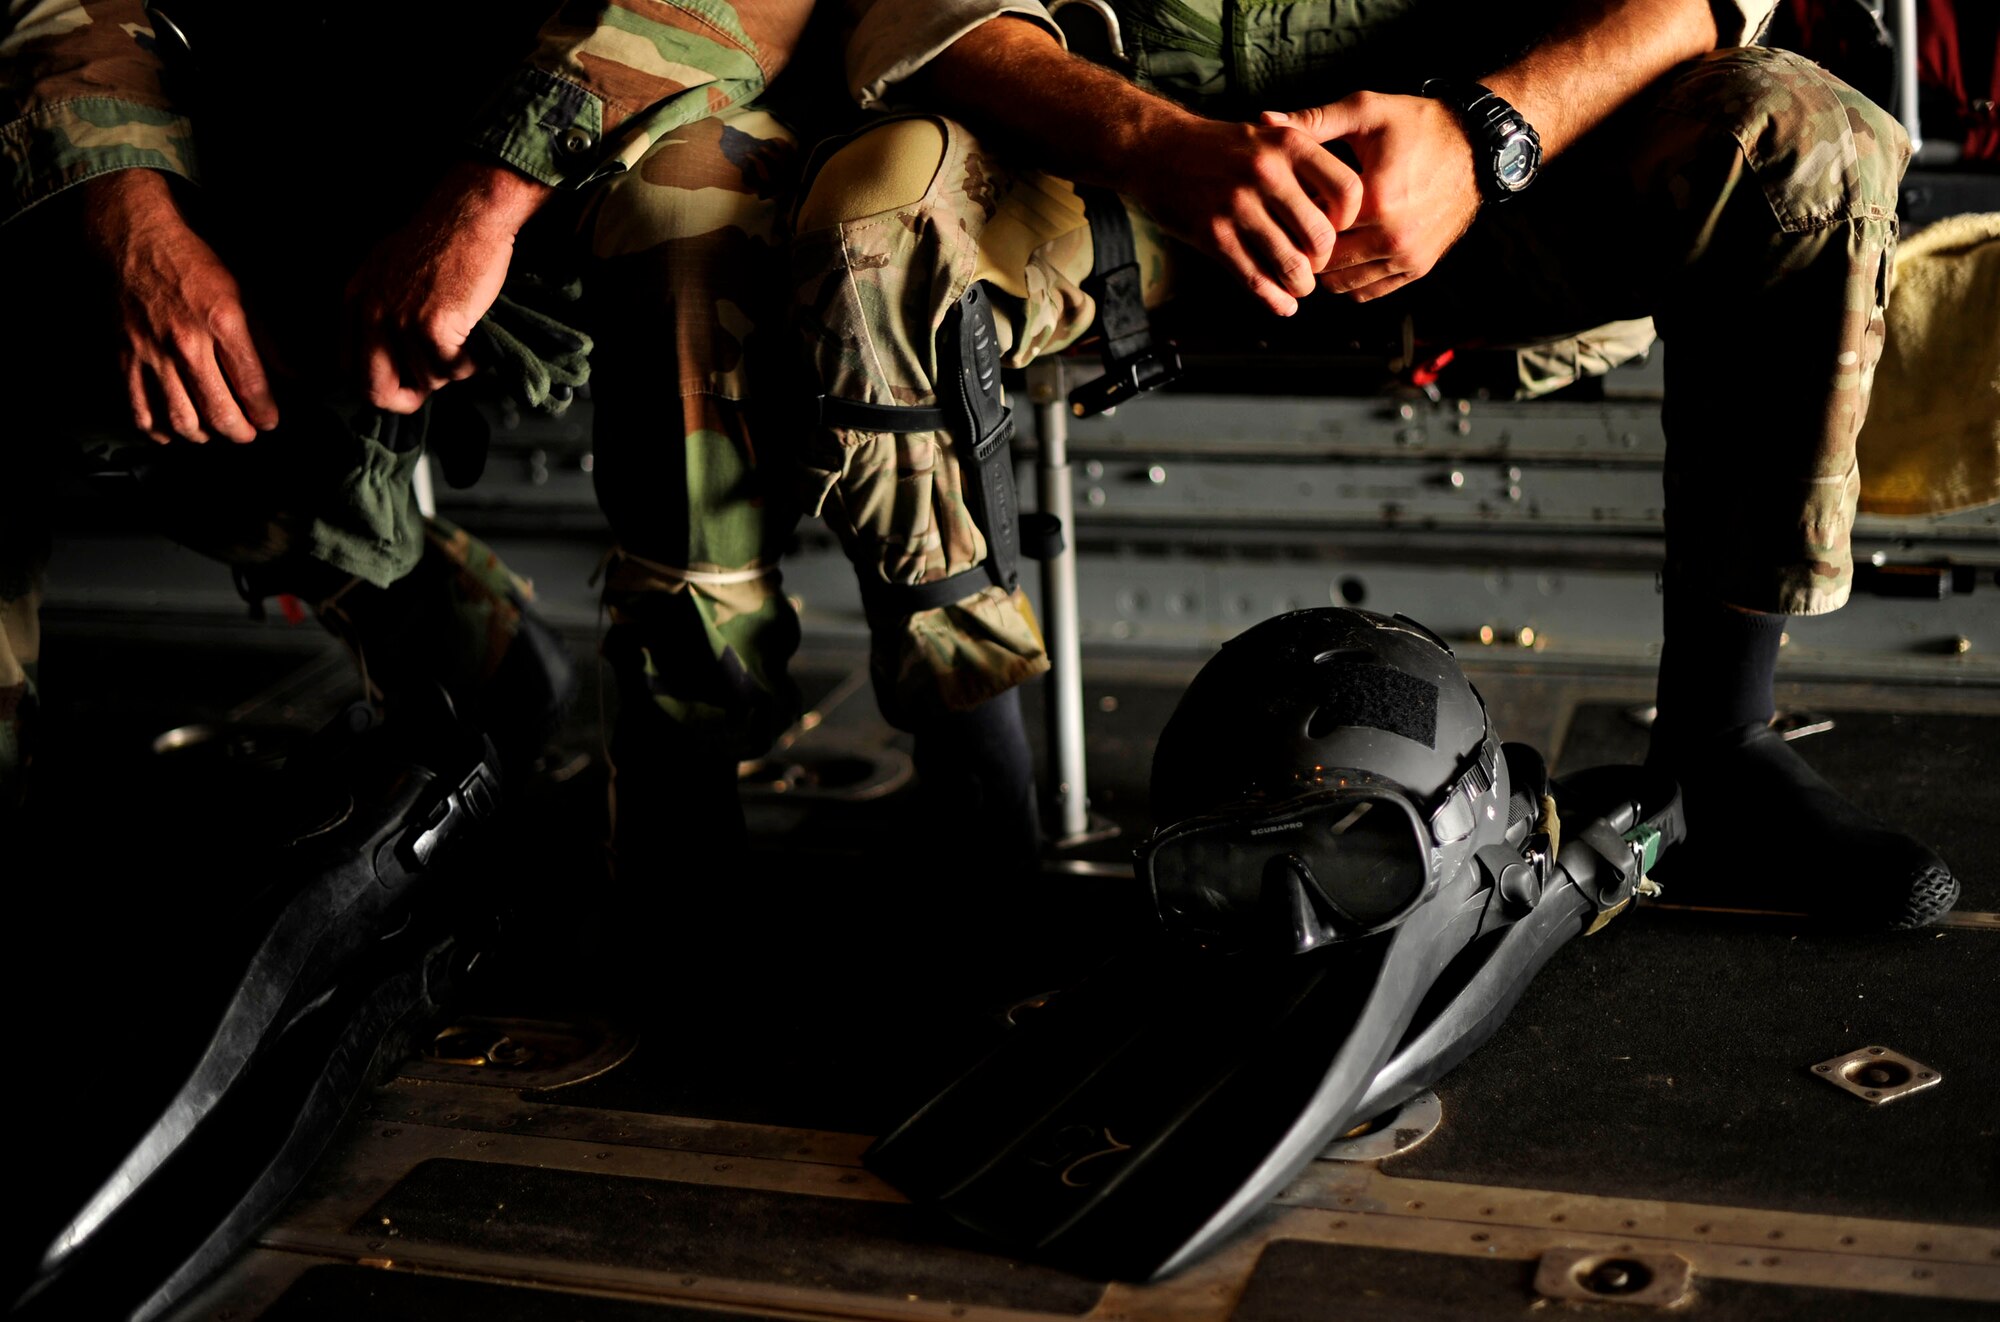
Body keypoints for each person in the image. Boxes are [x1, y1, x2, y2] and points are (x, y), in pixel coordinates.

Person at [788, 0, 1961, 929]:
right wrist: (1155, 145)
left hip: (1500, 168)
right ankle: (980, 811)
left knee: (1807, 139)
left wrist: (1485, 130)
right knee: (873, 216)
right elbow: (914, 9)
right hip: (1120, 167)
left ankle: (1721, 749)